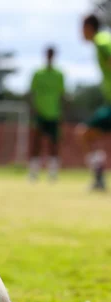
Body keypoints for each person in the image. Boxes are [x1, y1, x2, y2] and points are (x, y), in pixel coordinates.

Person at [77, 14, 111, 191]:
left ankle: (98, 178)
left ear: (89, 27)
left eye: (81, 27)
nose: (79, 32)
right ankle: (98, 177)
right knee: (87, 134)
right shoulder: (103, 40)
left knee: (84, 134)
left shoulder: (101, 41)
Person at [29, 47, 65, 182]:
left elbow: (62, 95)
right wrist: (33, 109)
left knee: (54, 144)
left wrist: (61, 112)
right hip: (40, 113)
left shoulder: (59, 74)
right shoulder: (38, 73)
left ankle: (53, 173)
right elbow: (32, 93)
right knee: (36, 143)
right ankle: (34, 172)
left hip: (54, 114)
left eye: (51, 54)